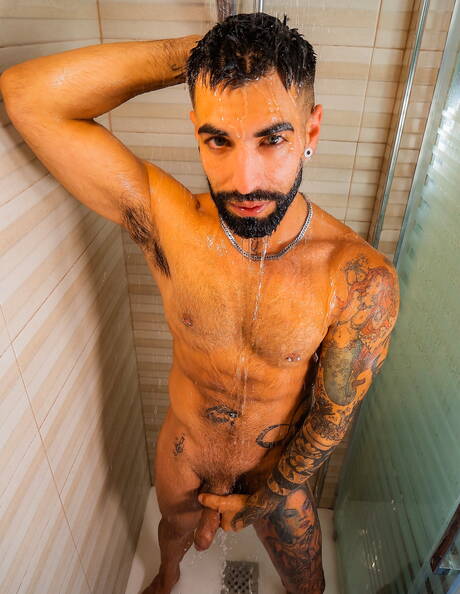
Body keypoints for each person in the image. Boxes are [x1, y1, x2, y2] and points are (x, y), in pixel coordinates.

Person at [0, 12, 400, 594]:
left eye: (273, 139)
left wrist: (266, 496)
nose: (245, 181)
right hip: (185, 450)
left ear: (311, 132)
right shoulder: (172, 226)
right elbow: (27, 95)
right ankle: (168, 577)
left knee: (308, 583)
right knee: (172, 535)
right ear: (195, 131)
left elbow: (329, 418)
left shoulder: (358, 279)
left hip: (276, 470)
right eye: (218, 140)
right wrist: (200, 55)